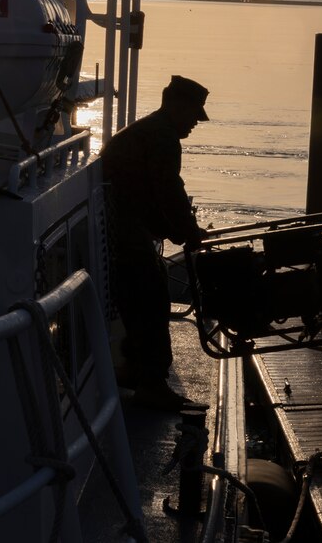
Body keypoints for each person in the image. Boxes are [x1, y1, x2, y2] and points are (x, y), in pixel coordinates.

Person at [101, 75, 209, 412]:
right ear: (176, 106)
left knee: (142, 295)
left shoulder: (150, 130)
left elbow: (154, 194)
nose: (195, 123)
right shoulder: (163, 137)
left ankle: (136, 367)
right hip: (124, 229)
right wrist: (189, 231)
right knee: (152, 299)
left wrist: (179, 230)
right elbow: (168, 191)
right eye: (193, 114)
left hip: (117, 226)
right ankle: (152, 382)